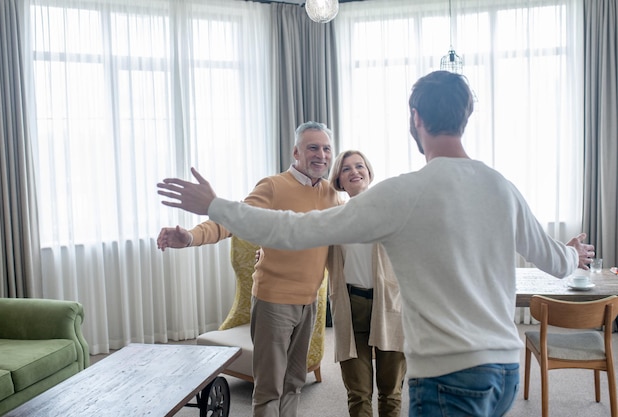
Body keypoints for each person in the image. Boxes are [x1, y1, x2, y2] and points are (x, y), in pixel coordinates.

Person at [157, 71, 595, 417]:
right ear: (465, 117)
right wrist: (574, 251)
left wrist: (214, 204)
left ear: (415, 118)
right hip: (504, 370)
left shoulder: (402, 193)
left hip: (446, 374)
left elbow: (290, 229)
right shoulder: (502, 187)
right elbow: (557, 262)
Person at [157, 121, 342, 417]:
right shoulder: (273, 185)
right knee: (269, 388)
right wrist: (190, 237)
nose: (321, 155)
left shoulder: (332, 194)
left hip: (310, 301)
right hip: (274, 301)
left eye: (326, 148)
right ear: (296, 152)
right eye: (312, 148)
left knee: (294, 381)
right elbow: (231, 220)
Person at [327, 150, 406, 417]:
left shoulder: (392, 209)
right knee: (358, 393)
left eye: (359, 166)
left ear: (369, 173)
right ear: (338, 179)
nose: (354, 172)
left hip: (390, 303)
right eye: (346, 169)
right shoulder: (333, 217)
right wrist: (264, 252)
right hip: (350, 305)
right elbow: (305, 246)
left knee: (391, 390)